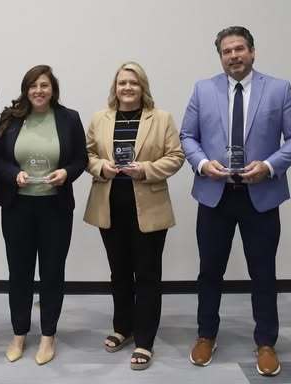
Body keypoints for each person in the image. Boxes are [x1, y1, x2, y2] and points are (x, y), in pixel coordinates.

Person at [180, 26, 291, 376]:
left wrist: (268, 166)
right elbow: (187, 136)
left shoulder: (278, 89)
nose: (233, 56)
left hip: (261, 197)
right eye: (226, 51)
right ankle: (206, 334)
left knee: (263, 272)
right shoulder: (202, 90)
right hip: (214, 196)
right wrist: (204, 164)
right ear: (220, 56)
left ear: (252, 51)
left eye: (239, 49)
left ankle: (266, 342)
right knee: (209, 271)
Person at [84, 61, 185, 370]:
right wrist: (102, 167)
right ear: (115, 87)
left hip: (149, 208)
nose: (127, 88)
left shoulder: (162, 118)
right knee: (119, 273)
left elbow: (176, 156)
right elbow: (86, 155)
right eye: (122, 83)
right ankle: (123, 327)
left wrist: (146, 170)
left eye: (133, 83)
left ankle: (144, 339)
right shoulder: (100, 118)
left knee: (148, 276)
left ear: (143, 87)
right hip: (110, 206)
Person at [0, 65, 88, 365]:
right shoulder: (10, 118)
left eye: (44, 85)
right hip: (18, 207)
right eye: (33, 85)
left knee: (52, 273)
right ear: (26, 89)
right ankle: (19, 333)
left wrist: (66, 173)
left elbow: (80, 158)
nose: (39, 91)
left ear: (53, 89)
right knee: (19, 273)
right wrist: (13, 175)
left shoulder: (68, 118)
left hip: (55, 209)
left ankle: (48, 335)